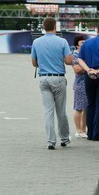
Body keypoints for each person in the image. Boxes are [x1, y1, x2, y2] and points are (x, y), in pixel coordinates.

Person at [30, 17, 73, 150]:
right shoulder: (62, 41)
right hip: (59, 78)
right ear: (55, 26)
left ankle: (50, 141)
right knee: (61, 111)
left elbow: (33, 63)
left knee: (48, 112)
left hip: (43, 79)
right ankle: (64, 138)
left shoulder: (36, 42)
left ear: (43, 27)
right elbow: (69, 61)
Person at [71, 35, 88, 138]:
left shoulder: (86, 55)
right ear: (77, 45)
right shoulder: (75, 56)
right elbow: (77, 70)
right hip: (80, 84)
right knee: (79, 108)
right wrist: (87, 66)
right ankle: (78, 130)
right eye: (82, 43)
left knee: (86, 108)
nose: (84, 45)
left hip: (88, 84)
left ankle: (84, 129)